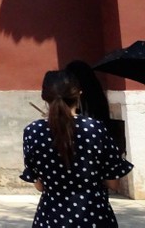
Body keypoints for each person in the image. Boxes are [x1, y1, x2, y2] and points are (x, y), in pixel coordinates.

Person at [21, 70, 132, 227]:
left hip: (51, 217)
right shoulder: (94, 128)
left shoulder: (33, 131)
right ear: (79, 94)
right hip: (93, 215)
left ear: (44, 96)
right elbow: (113, 183)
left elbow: (39, 186)